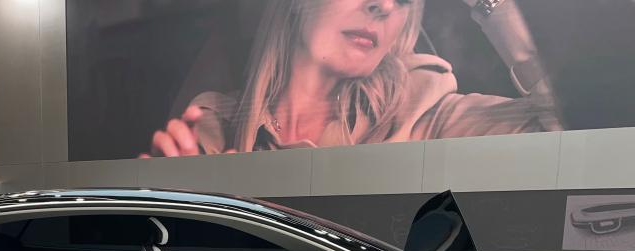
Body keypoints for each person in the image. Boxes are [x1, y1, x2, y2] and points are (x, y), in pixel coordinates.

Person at [143, 0, 558, 157]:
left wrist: (491, 5)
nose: (383, 6)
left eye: (403, 0)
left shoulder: (427, 113)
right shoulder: (213, 126)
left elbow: (575, 129)